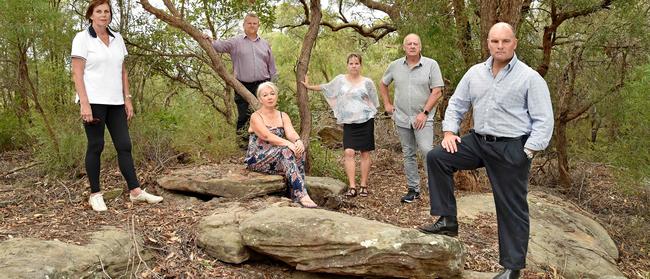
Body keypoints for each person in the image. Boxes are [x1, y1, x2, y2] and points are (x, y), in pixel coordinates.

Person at [418, 22, 554, 279]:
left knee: (511, 207)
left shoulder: (529, 78)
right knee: (438, 157)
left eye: (505, 41)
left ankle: (512, 268)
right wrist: (449, 132)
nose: (499, 46)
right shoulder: (475, 73)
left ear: (514, 43)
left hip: (511, 147)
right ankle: (447, 221)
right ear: (488, 43)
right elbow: (457, 103)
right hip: (478, 141)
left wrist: (527, 152)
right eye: (494, 41)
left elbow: (544, 120)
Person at [71, 0, 163, 212]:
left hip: (115, 102)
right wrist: (84, 103)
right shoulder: (82, 38)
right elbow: (77, 73)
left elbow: (122, 71)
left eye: (107, 12)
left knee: (124, 145)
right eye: (99, 11)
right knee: (96, 145)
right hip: (93, 101)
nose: (104, 15)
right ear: (91, 15)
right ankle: (95, 194)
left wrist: (127, 98)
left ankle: (135, 192)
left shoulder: (117, 38)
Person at [301, 53, 379, 197]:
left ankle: (363, 185)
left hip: (366, 120)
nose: (354, 66)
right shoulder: (340, 80)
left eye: (356, 63)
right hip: (349, 123)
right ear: (347, 65)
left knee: (365, 152)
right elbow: (327, 88)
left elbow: (374, 101)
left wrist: (367, 111)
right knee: (348, 152)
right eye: (351, 63)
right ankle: (352, 186)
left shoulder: (367, 82)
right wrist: (309, 86)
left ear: (361, 65)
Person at [379, 34, 444, 203]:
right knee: (408, 153)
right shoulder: (394, 66)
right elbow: (383, 84)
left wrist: (424, 113)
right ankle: (413, 190)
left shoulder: (431, 65)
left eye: (416, 43)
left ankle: (434, 187)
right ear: (404, 47)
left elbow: (437, 91)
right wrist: (386, 104)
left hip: (423, 117)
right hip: (401, 117)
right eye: (409, 44)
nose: (412, 46)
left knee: (427, 151)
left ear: (420, 47)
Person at [204, 13, 278, 147]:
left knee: (264, 114)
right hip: (243, 85)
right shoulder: (235, 42)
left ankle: (264, 143)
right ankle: (243, 145)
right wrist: (209, 40)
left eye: (255, 23)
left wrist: (272, 85)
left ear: (258, 25)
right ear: (244, 25)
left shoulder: (265, 44)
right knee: (244, 115)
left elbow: (271, 66)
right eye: (249, 23)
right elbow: (218, 46)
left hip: (263, 85)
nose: (252, 25)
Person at [244, 82, 318, 208]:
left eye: (272, 94)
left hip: (276, 157)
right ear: (260, 99)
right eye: (265, 95)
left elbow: (291, 133)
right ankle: (302, 194)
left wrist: (297, 141)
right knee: (286, 150)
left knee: (299, 150)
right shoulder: (255, 116)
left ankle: (294, 196)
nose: (270, 97)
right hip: (257, 158)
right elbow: (266, 136)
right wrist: (288, 144)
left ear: (276, 96)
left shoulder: (283, 115)